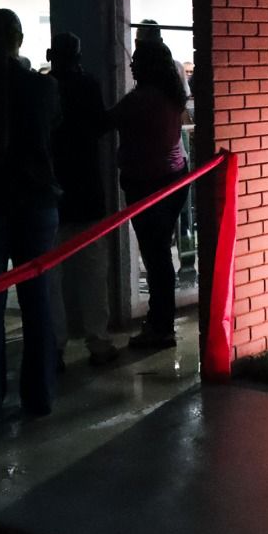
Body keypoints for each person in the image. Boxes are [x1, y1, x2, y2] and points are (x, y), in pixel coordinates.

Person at [0, 9, 61, 422]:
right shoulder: (43, 87)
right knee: (37, 302)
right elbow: (53, 137)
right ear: (20, 39)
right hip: (35, 201)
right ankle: (39, 396)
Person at [105, 38, 189, 351]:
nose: (132, 65)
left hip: (148, 185)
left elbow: (104, 122)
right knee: (160, 255)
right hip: (174, 179)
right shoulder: (172, 94)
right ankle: (160, 322)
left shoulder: (140, 99)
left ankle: (160, 326)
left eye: (137, 60)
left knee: (156, 258)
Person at [46, 32, 117, 371]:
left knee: (51, 279)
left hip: (52, 194)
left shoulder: (43, 88)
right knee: (93, 273)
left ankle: (54, 346)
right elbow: (101, 126)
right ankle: (98, 341)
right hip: (88, 192)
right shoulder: (88, 85)